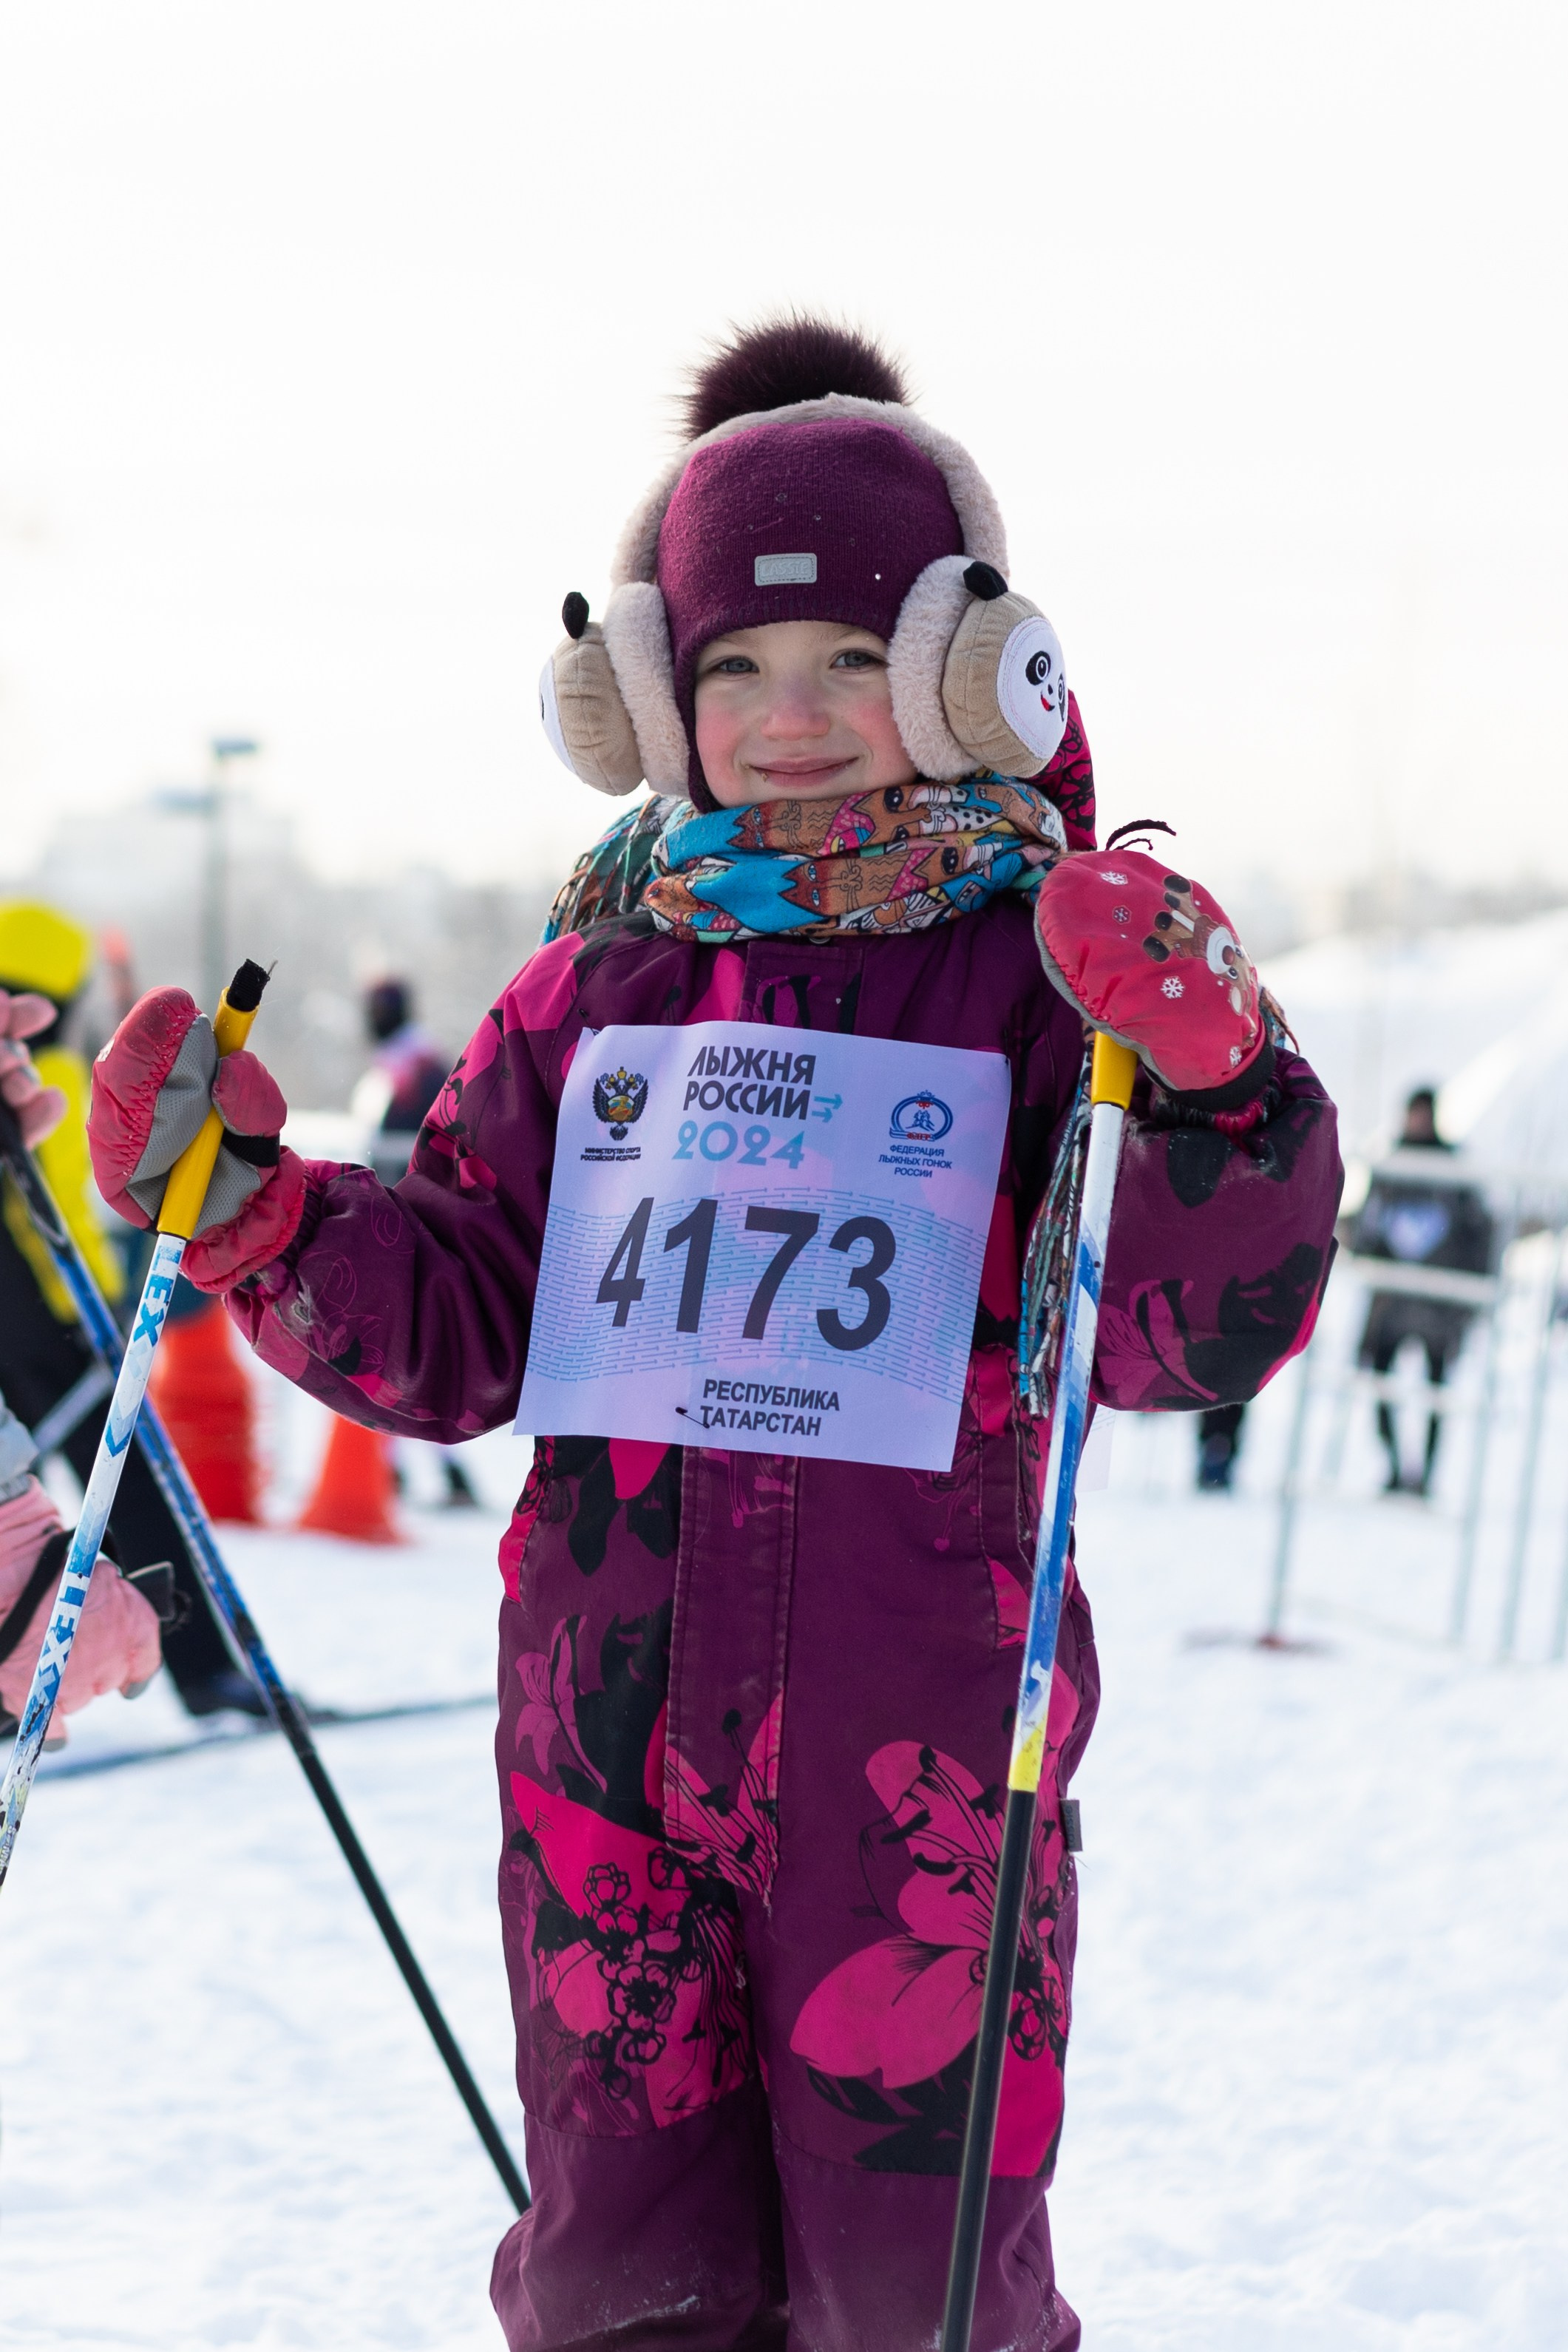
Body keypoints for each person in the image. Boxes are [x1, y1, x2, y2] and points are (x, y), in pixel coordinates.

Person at [85, 320, 1343, 2352]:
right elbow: (468, 1313)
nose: (793, 716)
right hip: (602, 1732)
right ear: (648, 692)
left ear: (967, 668)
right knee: (617, 2274)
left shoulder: (1047, 974)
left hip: (916, 1744)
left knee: (910, 2288)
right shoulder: (597, 985)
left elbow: (1180, 1336)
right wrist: (256, 1210)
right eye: (735, 666)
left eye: (854, 658)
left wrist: (1216, 1089)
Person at [0, 901, 261, 1717]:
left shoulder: (37, 1074)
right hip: (48, 1314)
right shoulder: (56, 1078)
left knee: (24, 1505)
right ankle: (203, 1667)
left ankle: (21, 1687)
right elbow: (67, 1210)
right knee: (129, 1486)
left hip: (34, 1312)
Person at [353, 977, 480, 1506]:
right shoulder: (399, 1064)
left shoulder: (418, 1068)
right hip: (398, 1220)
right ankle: (406, 1468)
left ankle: (427, 1469)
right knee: (399, 1348)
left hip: (409, 1224)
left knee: (404, 1347)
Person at [1353, 1085, 1494, 1495]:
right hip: (1391, 1305)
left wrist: (1467, 1298)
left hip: (1438, 1307)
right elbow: (1369, 1225)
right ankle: (1395, 1467)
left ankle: (1427, 1475)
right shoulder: (1391, 1163)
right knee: (1381, 1384)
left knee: (1437, 1393)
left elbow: (1479, 1233)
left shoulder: (1453, 1168)